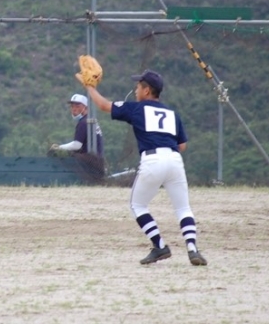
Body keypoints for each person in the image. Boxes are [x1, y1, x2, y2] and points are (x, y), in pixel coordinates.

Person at [77, 69, 207, 266]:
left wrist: (89, 87)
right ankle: (192, 248)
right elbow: (182, 145)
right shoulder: (172, 113)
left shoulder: (137, 108)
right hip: (174, 160)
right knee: (183, 208)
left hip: (152, 160)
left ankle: (160, 246)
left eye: (138, 86)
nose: (136, 90)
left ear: (147, 91)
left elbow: (103, 105)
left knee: (137, 205)